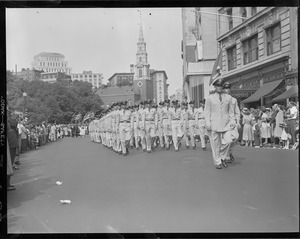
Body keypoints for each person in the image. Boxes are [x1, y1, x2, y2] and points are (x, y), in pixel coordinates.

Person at [204, 77, 235, 169]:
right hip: (214, 124)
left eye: (221, 86)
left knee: (229, 140)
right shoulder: (210, 98)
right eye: (218, 86)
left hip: (226, 124)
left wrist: (232, 121)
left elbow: (231, 112)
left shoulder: (228, 98)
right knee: (215, 145)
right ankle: (218, 162)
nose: (220, 87)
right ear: (215, 87)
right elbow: (207, 112)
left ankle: (222, 156)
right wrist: (208, 123)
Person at [222, 82, 241, 161]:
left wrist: (238, 122)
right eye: (226, 88)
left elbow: (237, 112)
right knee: (227, 139)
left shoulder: (234, 100)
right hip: (224, 122)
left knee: (236, 137)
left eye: (229, 88)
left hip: (232, 122)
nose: (228, 90)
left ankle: (229, 151)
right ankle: (225, 154)